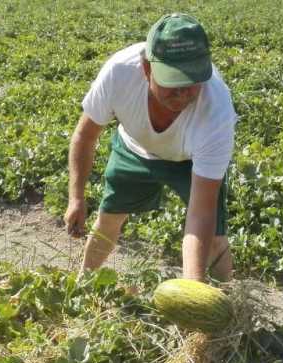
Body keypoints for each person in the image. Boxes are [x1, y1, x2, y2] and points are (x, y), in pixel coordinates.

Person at [63, 13, 237, 282]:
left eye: (192, 83)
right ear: (146, 68)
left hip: (189, 159)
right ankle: (83, 285)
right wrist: (76, 197)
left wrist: (192, 292)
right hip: (135, 147)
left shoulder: (216, 109)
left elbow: (200, 213)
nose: (183, 94)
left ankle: (223, 306)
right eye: (173, 82)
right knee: (108, 220)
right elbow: (85, 136)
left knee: (213, 239)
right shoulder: (119, 73)